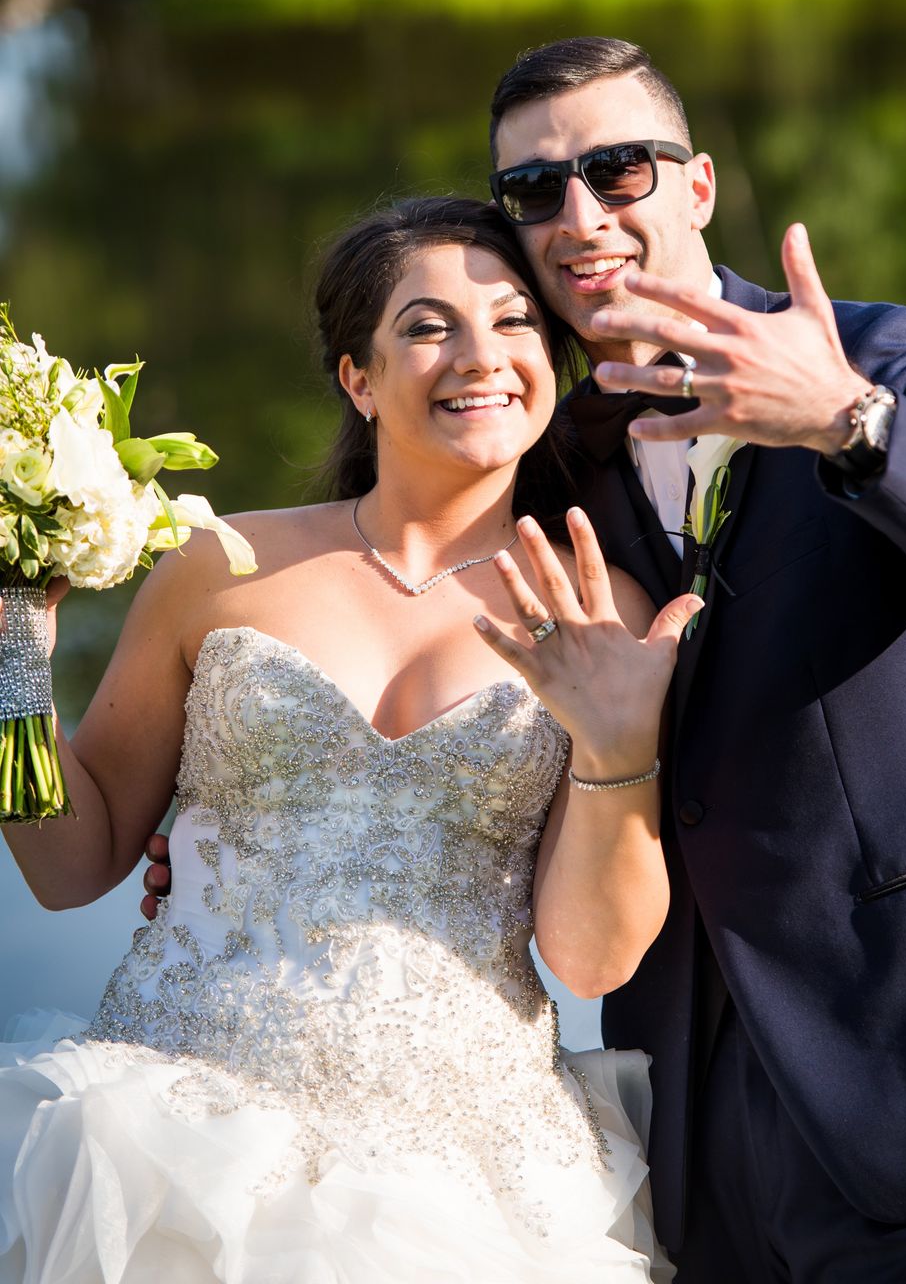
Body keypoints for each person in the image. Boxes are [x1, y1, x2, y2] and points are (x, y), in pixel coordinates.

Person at [0, 197, 701, 1282]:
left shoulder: (598, 609)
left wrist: (617, 748)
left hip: (464, 1180)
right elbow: (68, 865)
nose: (482, 355)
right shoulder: (217, 567)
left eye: (515, 321)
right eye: (428, 327)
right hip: (175, 1151)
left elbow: (590, 958)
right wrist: (13, 657)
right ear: (358, 378)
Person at [480, 37, 906, 1281]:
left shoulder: (866, 355)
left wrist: (848, 424)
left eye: (617, 169)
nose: (579, 217)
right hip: (678, 1102)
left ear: (696, 186)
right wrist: (226, 828)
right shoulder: (549, 452)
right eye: (534, 189)